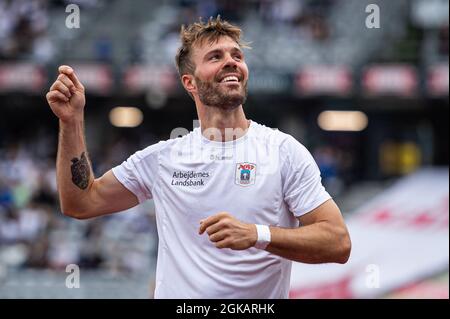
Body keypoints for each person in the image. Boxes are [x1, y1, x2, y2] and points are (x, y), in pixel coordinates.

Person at [45, 16, 351, 298]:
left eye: (237, 56)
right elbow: (80, 203)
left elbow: (337, 242)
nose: (231, 62)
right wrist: (71, 121)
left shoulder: (283, 152)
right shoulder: (163, 159)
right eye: (215, 57)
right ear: (190, 82)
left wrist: (256, 234)